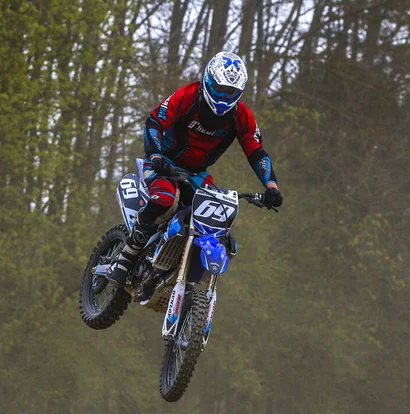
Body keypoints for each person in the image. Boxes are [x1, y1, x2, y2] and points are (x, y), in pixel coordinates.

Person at [107, 51, 283, 285]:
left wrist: (271, 186)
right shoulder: (188, 96)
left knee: (217, 218)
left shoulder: (241, 116)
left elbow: (256, 151)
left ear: (239, 92)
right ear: (208, 81)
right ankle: (127, 256)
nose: (223, 96)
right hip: (163, 162)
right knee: (164, 200)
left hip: (197, 173)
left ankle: (178, 268)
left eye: (230, 92)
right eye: (219, 88)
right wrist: (156, 154)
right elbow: (154, 122)